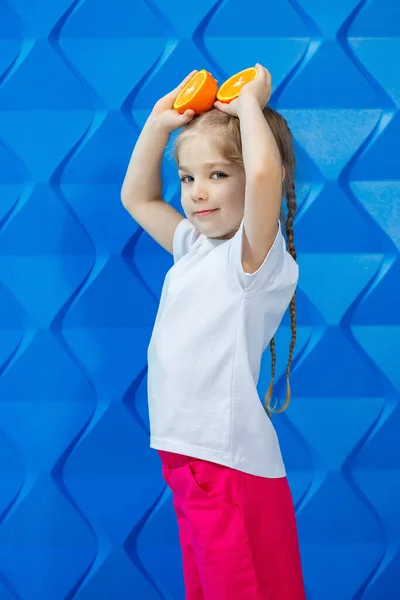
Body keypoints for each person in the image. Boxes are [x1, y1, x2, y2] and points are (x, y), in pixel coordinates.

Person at [121, 64, 306, 600]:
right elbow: (138, 200)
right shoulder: (198, 249)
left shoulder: (251, 263)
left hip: (223, 467)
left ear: (254, 179)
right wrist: (159, 124)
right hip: (189, 458)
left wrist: (250, 106)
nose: (198, 192)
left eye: (219, 174)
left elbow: (268, 178)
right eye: (188, 177)